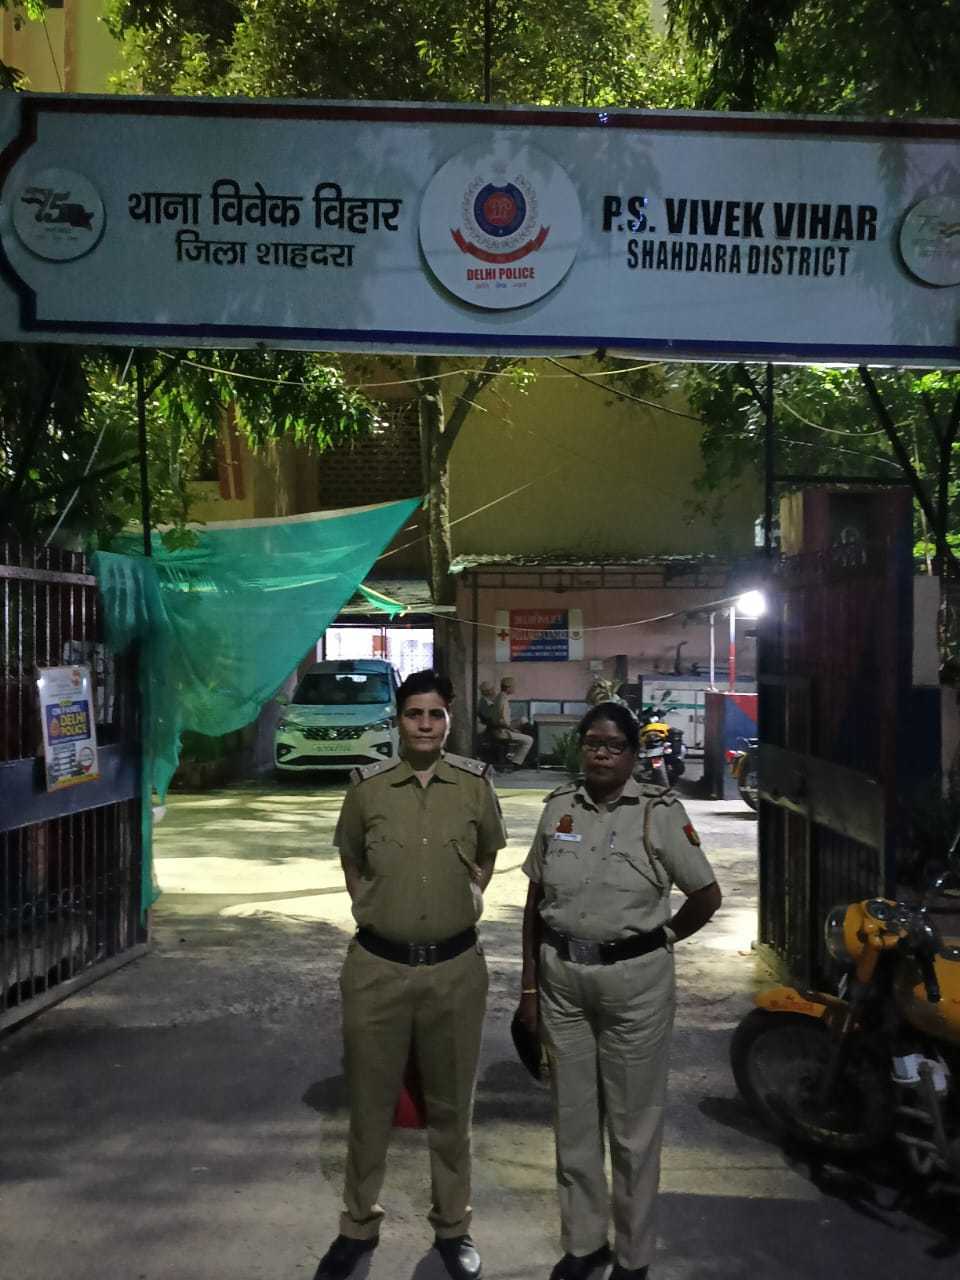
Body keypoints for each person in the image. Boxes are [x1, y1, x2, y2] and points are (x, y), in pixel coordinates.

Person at [518, 702, 721, 1280]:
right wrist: (529, 988)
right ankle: (584, 1245)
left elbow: (706, 896)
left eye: (613, 745)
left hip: (636, 988)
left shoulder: (660, 813)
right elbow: (535, 900)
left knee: (633, 1128)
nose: (601, 754)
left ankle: (633, 1257)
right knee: (573, 1120)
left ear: (633, 754)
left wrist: (662, 939)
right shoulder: (559, 807)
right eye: (592, 743)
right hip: (563, 982)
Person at [315, 670, 507, 1280]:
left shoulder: (475, 785)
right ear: (398, 720)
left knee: (452, 1108)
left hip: (455, 971)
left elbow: (488, 853)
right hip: (378, 970)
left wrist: (466, 897)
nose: (425, 725)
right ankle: (357, 1225)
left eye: (435, 714)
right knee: (369, 1106)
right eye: (414, 714)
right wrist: (373, 905)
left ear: (450, 720)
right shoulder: (367, 789)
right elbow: (351, 856)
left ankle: (453, 1227)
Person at [493, 676, 534, 768]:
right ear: (508, 688)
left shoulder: (500, 697)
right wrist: (512, 729)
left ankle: (527, 751)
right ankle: (516, 762)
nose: (515, 689)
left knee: (523, 720)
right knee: (529, 740)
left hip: (502, 727)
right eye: (513, 687)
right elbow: (501, 721)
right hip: (501, 731)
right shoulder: (502, 700)